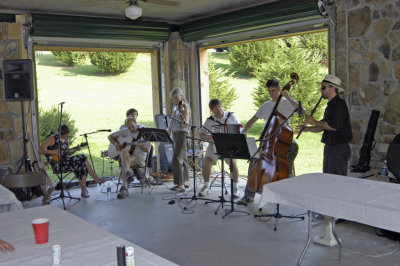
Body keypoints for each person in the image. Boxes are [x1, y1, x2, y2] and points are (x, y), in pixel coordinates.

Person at [239, 78, 302, 204]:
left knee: (294, 146)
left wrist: (288, 97)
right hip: (268, 138)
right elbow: (252, 120)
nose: (271, 93)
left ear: (279, 89)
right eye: (269, 91)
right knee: (255, 158)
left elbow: (302, 111)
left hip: (283, 137)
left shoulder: (286, 103)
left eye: (273, 90)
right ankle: (249, 195)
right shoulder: (266, 106)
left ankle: (286, 172)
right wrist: (244, 131)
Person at [296, 74, 353, 175]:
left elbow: (334, 126)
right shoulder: (331, 105)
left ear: (332, 88)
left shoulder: (339, 105)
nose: (321, 90)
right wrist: (308, 129)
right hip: (330, 147)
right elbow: (323, 126)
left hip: (338, 148)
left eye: (323, 87)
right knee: (327, 177)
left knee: (336, 180)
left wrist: (314, 121)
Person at [38, 125, 106, 198]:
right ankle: (96, 179)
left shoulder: (66, 140)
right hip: (58, 165)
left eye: (68, 136)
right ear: (61, 134)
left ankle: (84, 191)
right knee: (83, 157)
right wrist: (53, 151)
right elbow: (39, 150)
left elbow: (67, 154)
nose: (67, 138)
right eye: (65, 137)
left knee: (82, 166)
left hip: (66, 162)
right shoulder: (52, 139)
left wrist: (75, 150)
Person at [199, 99, 241, 198]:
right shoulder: (210, 120)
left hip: (229, 145)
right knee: (206, 163)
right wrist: (207, 137)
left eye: (219, 106)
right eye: (215, 108)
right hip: (214, 144)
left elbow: (241, 129)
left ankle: (235, 188)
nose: (218, 109)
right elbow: (201, 134)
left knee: (233, 163)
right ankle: (206, 186)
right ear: (212, 110)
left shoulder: (231, 116)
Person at [108, 117, 151, 198]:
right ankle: (127, 174)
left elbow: (147, 150)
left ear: (136, 123)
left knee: (124, 160)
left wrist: (141, 145)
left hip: (139, 158)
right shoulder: (126, 131)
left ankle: (124, 187)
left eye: (132, 126)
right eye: (129, 127)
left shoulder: (145, 132)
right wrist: (116, 144)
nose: (131, 129)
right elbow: (110, 136)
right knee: (124, 153)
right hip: (128, 157)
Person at [167, 88, 191, 192]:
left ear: (181, 96)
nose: (175, 100)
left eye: (176, 97)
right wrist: (169, 129)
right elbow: (172, 119)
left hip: (182, 134)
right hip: (175, 133)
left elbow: (186, 123)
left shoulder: (184, 106)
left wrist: (180, 117)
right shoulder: (175, 107)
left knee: (177, 159)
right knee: (183, 158)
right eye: (173, 98)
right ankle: (185, 181)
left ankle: (180, 184)